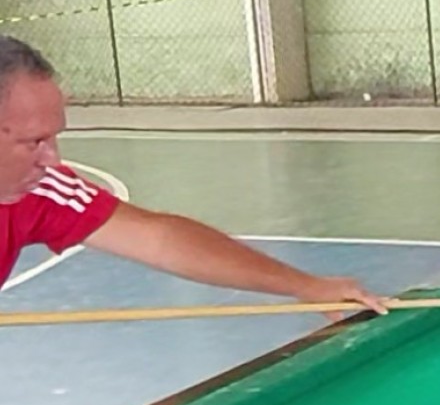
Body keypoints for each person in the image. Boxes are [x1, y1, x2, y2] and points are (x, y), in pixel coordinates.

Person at [0, 35, 387, 315]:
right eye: (34, 142)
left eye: (54, 137)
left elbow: (159, 239)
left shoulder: (44, 190)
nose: (52, 160)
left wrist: (306, 286)